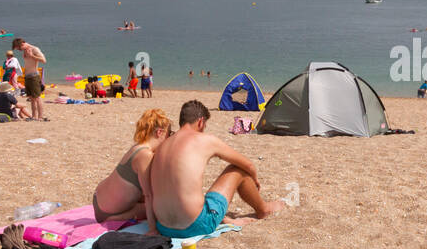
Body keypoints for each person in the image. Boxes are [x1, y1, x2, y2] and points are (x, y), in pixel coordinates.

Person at [143, 100, 284, 237]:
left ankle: (225, 217)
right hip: (194, 225)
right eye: (204, 126)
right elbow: (248, 165)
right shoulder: (204, 140)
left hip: (163, 227)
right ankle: (263, 209)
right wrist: (255, 179)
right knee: (237, 170)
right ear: (201, 122)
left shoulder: (163, 146)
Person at [93, 108, 172, 222]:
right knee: (160, 208)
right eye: (169, 134)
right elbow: (148, 196)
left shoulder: (137, 147)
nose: (168, 138)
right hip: (106, 212)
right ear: (159, 132)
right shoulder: (145, 155)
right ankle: (114, 219)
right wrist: (152, 229)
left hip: (99, 199)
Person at [12, 37, 47, 121]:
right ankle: (34, 116)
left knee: (37, 97)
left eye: (18, 48)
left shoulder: (34, 49)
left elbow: (43, 60)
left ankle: (40, 117)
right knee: (31, 98)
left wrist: (32, 56)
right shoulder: (25, 50)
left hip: (34, 76)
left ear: (22, 44)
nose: (18, 50)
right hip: (27, 76)